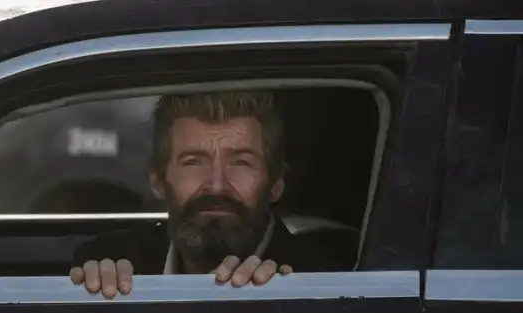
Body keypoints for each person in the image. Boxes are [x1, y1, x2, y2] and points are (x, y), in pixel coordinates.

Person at [69, 90, 351, 299]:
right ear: (158, 180)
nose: (217, 186)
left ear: (277, 182)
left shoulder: (323, 282)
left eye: (241, 162)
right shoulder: (114, 263)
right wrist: (98, 299)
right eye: (193, 162)